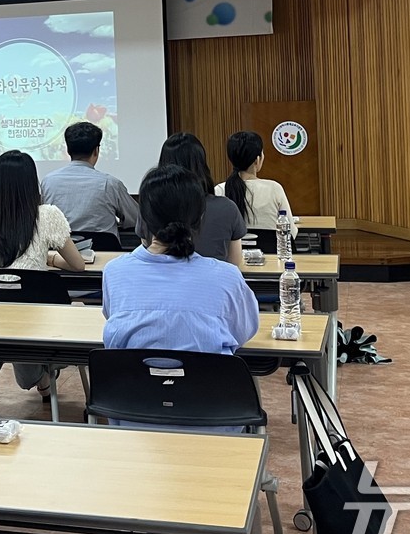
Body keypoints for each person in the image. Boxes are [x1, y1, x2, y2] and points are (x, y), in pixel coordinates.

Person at [104, 165, 259, 427]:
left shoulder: (115, 272)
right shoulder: (226, 277)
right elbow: (243, 331)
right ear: (200, 218)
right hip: (214, 424)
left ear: (143, 219)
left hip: (132, 424)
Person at [0, 151, 85, 398]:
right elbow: (78, 265)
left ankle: (32, 379)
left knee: (25, 370)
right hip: (37, 322)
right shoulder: (47, 215)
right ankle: (44, 377)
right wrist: (49, 258)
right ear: (31, 182)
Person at [138, 133, 246, 266]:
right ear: (202, 165)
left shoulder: (152, 207)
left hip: (159, 283)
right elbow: (235, 264)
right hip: (212, 283)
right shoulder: (227, 208)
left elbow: (146, 255)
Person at [40, 121, 139, 240]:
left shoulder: (48, 182)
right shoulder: (110, 183)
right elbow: (136, 219)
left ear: (68, 150)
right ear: (96, 151)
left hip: (59, 254)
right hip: (105, 252)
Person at [216, 131, 295, 238]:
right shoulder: (274, 188)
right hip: (272, 253)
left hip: (230, 254)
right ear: (257, 160)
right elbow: (290, 232)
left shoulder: (219, 190)